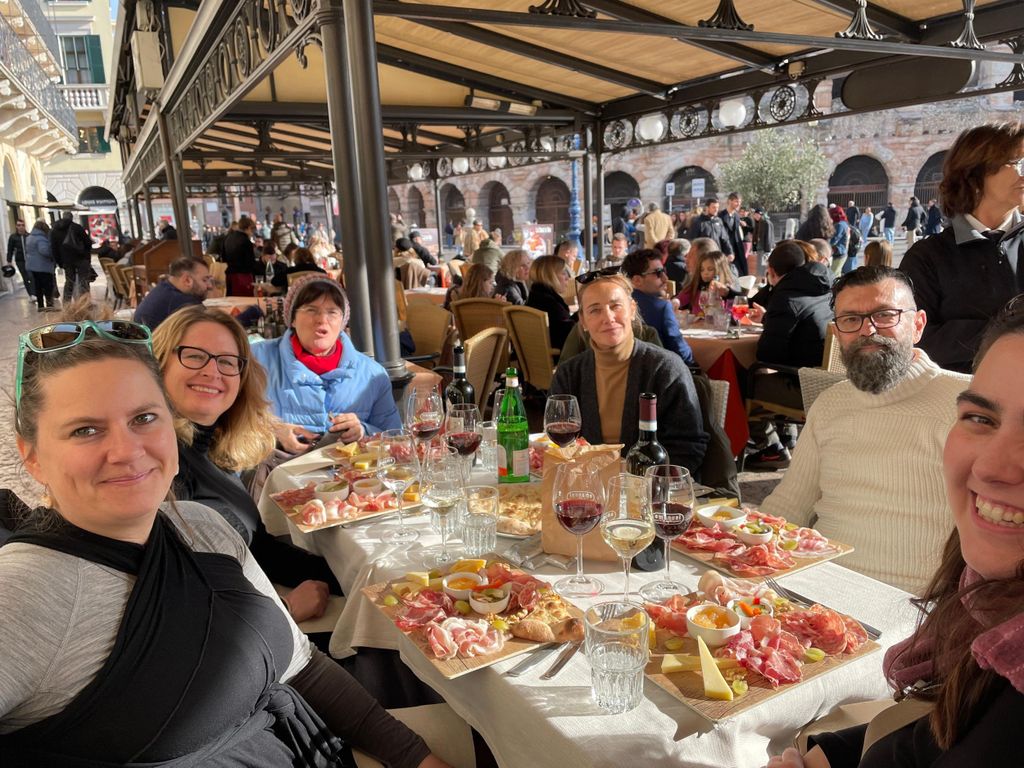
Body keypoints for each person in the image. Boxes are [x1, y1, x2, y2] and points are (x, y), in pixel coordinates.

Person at [0, 318, 446, 767]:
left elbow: (301, 665)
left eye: (144, 418)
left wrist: (416, 758)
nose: (127, 450)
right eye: (85, 430)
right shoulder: (23, 592)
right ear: (32, 455)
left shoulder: (201, 526)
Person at [768, 298, 1024, 768]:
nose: (990, 467)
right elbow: (936, 729)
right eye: (981, 419)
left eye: (885, 315)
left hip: (890, 612)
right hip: (822, 592)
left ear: (919, 324)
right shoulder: (976, 604)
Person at [760, 266, 970, 593]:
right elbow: (788, 507)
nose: (867, 331)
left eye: (885, 315)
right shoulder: (831, 404)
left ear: (918, 325)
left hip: (917, 608)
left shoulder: (966, 406)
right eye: (850, 319)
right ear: (837, 330)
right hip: (813, 590)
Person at [151, 306, 339, 625]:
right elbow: (172, 607)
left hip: (259, 607)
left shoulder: (215, 448)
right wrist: (286, 608)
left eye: (227, 361)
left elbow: (259, 549)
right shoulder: (156, 465)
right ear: (159, 363)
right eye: (195, 356)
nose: (213, 372)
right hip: (248, 633)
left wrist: (350, 578)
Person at [550, 271, 708, 473]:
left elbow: (688, 449)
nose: (608, 317)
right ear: (583, 321)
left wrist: (634, 482)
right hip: (585, 490)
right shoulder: (569, 374)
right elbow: (558, 448)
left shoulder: (666, 369)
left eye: (615, 306)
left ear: (632, 309)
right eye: (595, 310)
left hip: (651, 492)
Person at [900, 122, 1024, 373]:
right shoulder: (927, 258)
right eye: (1018, 162)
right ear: (975, 174)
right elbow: (911, 339)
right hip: (961, 400)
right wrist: (1006, 334)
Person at [250, 276, 401, 450]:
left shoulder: (373, 375)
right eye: (311, 310)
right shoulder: (257, 360)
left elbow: (395, 438)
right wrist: (272, 432)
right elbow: (225, 421)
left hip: (352, 474)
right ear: (292, 319)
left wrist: (362, 432)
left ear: (342, 322)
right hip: (277, 471)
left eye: (332, 312)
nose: (322, 319)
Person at [622, 249, 696, 368]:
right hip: (660, 375)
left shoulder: (619, 305)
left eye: (664, 271)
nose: (665, 278)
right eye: (658, 273)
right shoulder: (661, 308)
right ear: (637, 280)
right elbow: (681, 351)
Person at [133, 256, 213, 329]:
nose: (210, 286)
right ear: (187, 280)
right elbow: (211, 328)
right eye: (204, 280)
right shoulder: (184, 302)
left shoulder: (163, 289)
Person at [525, 254, 575, 351]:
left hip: (538, 358)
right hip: (562, 360)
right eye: (563, 273)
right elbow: (568, 338)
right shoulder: (550, 304)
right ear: (550, 276)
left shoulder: (535, 297)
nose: (567, 277)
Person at [51, 211, 94, 302]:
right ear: (71, 218)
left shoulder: (55, 230)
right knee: (83, 281)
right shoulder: (77, 228)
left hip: (66, 260)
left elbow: (54, 248)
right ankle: (84, 302)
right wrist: (86, 257)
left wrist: (60, 262)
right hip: (80, 258)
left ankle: (66, 304)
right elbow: (88, 243)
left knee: (69, 281)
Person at [223, 215, 260, 296]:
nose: (252, 233)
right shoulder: (246, 241)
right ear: (249, 228)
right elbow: (250, 263)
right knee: (244, 302)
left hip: (229, 275)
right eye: (252, 230)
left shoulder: (228, 238)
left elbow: (224, 257)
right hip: (243, 277)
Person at [24, 219, 56, 313]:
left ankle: (41, 305)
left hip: (32, 266)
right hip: (43, 267)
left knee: (38, 287)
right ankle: (49, 305)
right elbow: (44, 251)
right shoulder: (41, 238)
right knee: (47, 287)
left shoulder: (29, 237)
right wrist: (51, 253)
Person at [719, 192, 749, 276]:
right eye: (736, 201)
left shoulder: (736, 216)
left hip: (737, 249)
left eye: (739, 202)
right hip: (724, 250)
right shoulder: (720, 216)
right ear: (729, 201)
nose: (738, 204)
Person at [6, 218, 32, 298]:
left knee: (31, 276)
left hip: (30, 260)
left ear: (25, 226)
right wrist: (9, 261)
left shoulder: (29, 236)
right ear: (16, 226)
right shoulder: (13, 237)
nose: (21, 227)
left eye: (22, 225)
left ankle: (34, 293)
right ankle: (31, 295)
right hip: (20, 260)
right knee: (25, 277)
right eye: (19, 225)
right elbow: (10, 249)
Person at [828, 206, 850, 276]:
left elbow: (834, 240)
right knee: (837, 274)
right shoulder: (844, 223)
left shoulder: (839, 225)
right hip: (843, 252)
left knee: (833, 275)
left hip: (839, 252)